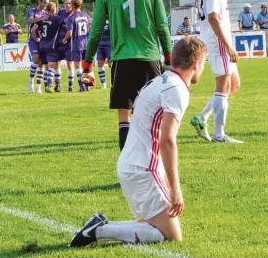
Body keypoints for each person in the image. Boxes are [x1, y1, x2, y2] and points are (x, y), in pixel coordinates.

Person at [71, 37, 207, 247]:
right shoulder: (176, 89)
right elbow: (167, 140)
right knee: (171, 235)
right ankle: (99, 229)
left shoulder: (160, 81)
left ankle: (99, 227)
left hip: (131, 164)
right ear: (197, 63)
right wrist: (175, 189)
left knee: (152, 226)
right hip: (144, 169)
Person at [81, 0, 172, 152]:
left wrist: (87, 67)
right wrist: (168, 59)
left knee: (125, 117)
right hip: (149, 58)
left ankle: (128, 170)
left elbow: (94, 33)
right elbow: (162, 27)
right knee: (154, 116)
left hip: (122, 60)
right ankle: (153, 166)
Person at [191, 0, 243, 143]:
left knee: (234, 84)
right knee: (223, 87)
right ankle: (219, 135)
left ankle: (202, 117)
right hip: (217, 41)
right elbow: (213, 17)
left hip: (211, 38)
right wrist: (227, 45)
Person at [31, 2, 64, 93]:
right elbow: (66, 22)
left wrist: (37, 39)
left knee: (44, 66)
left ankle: (47, 85)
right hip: (51, 45)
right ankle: (49, 85)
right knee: (52, 66)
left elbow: (33, 30)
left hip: (42, 45)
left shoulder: (43, 19)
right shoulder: (57, 18)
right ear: (54, 9)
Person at [62, 0, 92, 92]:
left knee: (77, 66)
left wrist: (65, 39)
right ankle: (87, 85)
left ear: (73, 5)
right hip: (86, 43)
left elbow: (70, 32)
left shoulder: (71, 17)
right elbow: (90, 26)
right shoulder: (85, 15)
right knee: (85, 66)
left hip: (76, 44)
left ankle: (82, 86)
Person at [27, 0, 50, 93]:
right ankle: (30, 82)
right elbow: (30, 20)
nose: (46, 5)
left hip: (43, 40)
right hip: (33, 39)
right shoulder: (32, 11)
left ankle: (38, 86)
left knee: (41, 63)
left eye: (47, 3)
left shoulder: (46, 12)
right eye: (44, 2)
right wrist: (41, 19)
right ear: (39, 2)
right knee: (35, 58)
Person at [56, 0, 74, 92]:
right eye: (65, 3)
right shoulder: (61, 12)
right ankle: (58, 84)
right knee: (57, 62)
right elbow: (57, 22)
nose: (67, 5)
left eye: (69, 3)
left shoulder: (75, 12)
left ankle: (70, 86)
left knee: (69, 63)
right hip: (60, 40)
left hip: (70, 41)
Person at [97, 20, 111, 89]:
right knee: (100, 63)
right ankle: (103, 84)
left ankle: (113, 82)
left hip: (109, 44)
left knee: (111, 64)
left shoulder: (111, 19)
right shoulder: (98, 20)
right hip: (100, 44)